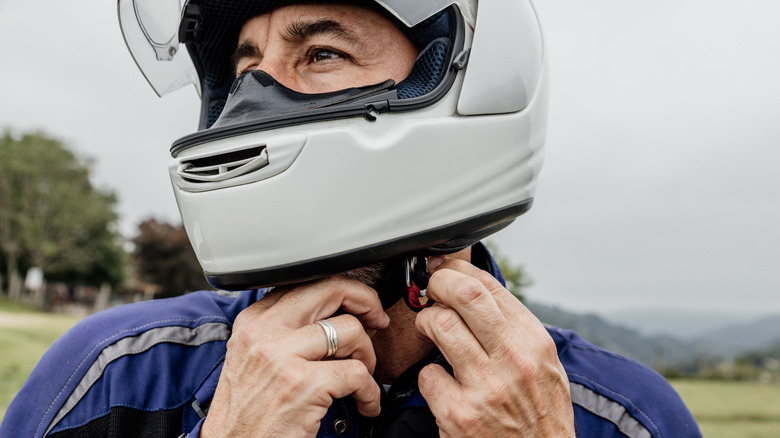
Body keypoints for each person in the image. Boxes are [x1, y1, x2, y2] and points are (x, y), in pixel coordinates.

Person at [2, 1, 702, 437]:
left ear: (459, 86)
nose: (253, 99)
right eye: (245, 69)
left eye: (322, 53)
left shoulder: (622, 418)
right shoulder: (114, 378)